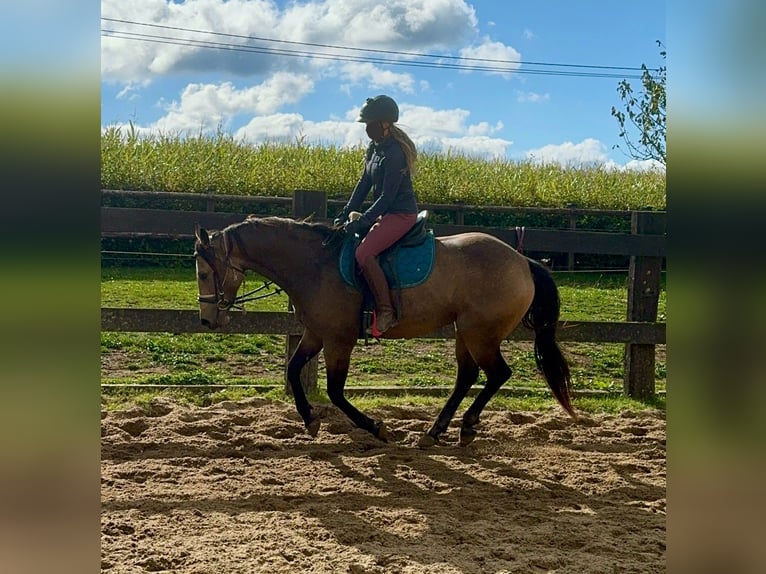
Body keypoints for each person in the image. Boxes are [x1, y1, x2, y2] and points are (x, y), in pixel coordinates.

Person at [333, 94, 419, 334]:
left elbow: (387, 197)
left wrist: (364, 220)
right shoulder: (375, 148)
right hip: (385, 213)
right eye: (365, 124)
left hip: (401, 214)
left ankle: (386, 311)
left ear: (385, 124)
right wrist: (346, 212)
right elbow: (363, 184)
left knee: (364, 252)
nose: (367, 128)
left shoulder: (395, 154)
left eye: (370, 124)